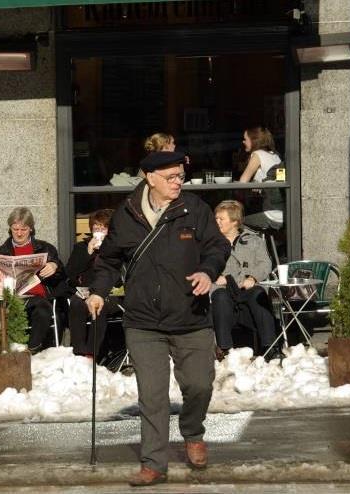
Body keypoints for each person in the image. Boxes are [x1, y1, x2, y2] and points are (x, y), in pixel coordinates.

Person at [86, 151, 229, 486]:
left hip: (190, 316)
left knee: (199, 385)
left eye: (181, 176)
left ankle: (192, 430)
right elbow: (108, 262)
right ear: (149, 177)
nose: (178, 182)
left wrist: (208, 272)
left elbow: (218, 247)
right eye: (171, 177)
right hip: (143, 321)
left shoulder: (194, 209)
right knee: (152, 396)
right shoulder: (126, 214)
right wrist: (97, 292)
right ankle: (154, 464)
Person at [210, 200, 280, 361]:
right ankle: (225, 349)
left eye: (221, 219)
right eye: (216, 218)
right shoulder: (211, 242)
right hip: (222, 287)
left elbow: (265, 263)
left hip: (247, 286)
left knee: (259, 294)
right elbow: (202, 264)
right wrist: (214, 276)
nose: (217, 222)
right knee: (220, 297)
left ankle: (271, 347)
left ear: (234, 222)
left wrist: (253, 277)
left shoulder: (253, 240)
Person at [0, 207, 66, 353]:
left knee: (42, 309)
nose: (19, 233)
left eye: (24, 229)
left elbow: (63, 276)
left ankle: (32, 349)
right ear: (10, 229)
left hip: (40, 298)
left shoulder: (45, 248)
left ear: (31, 229)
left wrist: (54, 266)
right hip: (12, 298)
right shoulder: (0, 253)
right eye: (15, 229)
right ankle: (10, 352)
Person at [63, 209, 123, 358]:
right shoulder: (81, 248)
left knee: (98, 307)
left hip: (111, 293)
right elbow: (71, 272)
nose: (99, 230)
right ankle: (79, 351)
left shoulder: (118, 248)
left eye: (104, 227)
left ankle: (91, 353)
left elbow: (120, 276)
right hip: (85, 290)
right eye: (96, 227)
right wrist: (88, 252)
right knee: (77, 304)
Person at [238, 126, 284, 229]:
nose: (243, 142)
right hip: (282, 213)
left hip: (270, 214)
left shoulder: (257, 155)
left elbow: (242, 182)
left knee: (236, 224)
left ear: (254, 140)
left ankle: (257, 244)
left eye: (245, 139)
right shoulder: (275, 155)